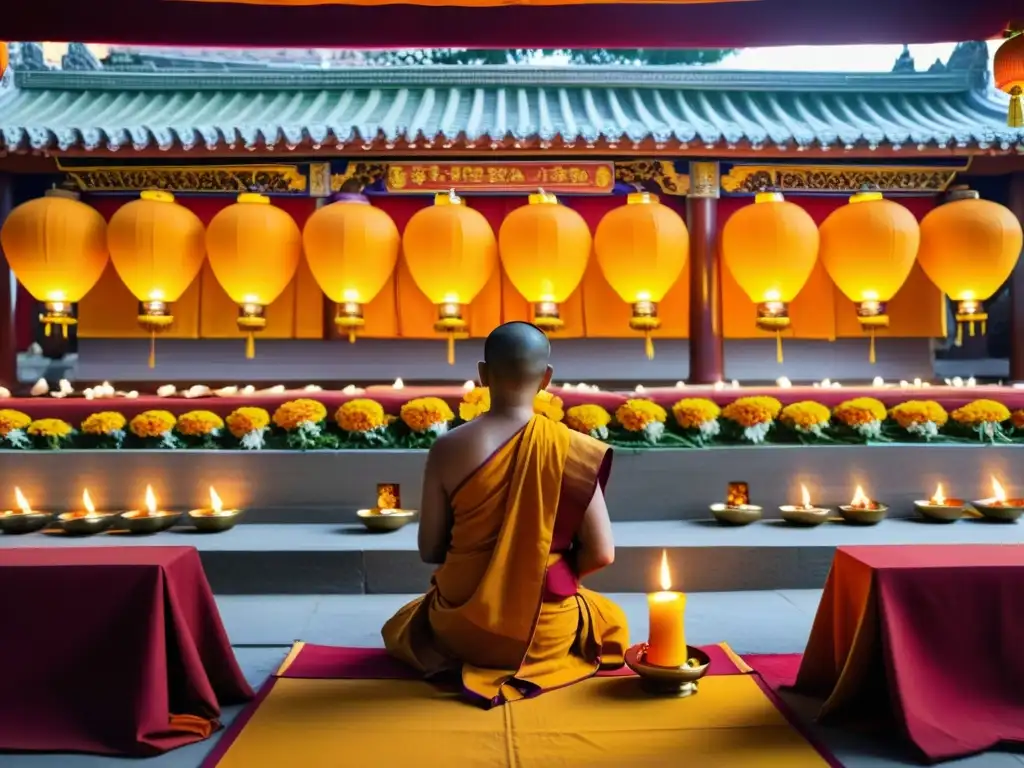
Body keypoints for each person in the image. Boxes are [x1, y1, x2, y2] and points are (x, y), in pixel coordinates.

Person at [382, 321, 629, 708]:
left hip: (460, 629)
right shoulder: (567, 448)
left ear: (482, 374)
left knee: (405, 622)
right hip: (544, 633)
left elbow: (431, 549)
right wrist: (544, 574)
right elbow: (602, 553)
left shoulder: (447, 448)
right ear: (546, 379)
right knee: (608, 617)